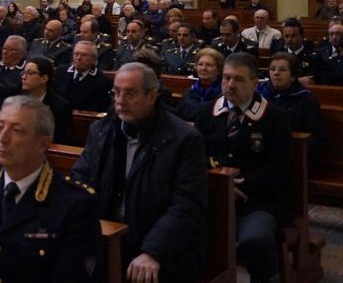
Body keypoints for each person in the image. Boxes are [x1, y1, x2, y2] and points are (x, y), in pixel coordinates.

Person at [0, 95, 102, 282]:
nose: (3, 138)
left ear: (43, 143)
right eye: (0, 127)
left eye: (16, 130)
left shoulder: (73, 204)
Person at [72, 63, 207, 283]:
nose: (120, 101)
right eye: (116, 92)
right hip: (108, 236)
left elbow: (186, 205)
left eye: (130, 94)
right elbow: (80, 181)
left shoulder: (183, 139)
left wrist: (153, 251)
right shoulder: (102, 130)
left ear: (152, 96)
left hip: (164, 245)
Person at [196, 52, 291, 283]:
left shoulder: (275, 117)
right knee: (182, 231)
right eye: (226, 78)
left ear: (255, 83)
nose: (230, 85)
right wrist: (218, 184)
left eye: (238, 79)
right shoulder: (206, 112)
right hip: (212, 196)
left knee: (255, 240)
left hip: (256, 200)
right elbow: (195, 157)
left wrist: (244, 184)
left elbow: (280, 165)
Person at [259, 52, 325, 158]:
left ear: (293, 76)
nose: (276, 73)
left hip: (291, 154)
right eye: (272, 69)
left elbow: (316, 137)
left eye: (282, 70)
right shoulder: (260, 94)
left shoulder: (305, 99)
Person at [20, 56, 72, 144]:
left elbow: (61, 139)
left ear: (44, 78)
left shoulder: (60, 106)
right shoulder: (17, 101)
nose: (24, 77)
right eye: (23, 73)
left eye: (30, 73)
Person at [54, 40, 111, 112]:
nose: (78, 58)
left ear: (93, 59)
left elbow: (95, 109)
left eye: (84, 55)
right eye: (76, 54)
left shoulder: (102, 81)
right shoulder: (61, 72)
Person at [176, 48, 224, 122]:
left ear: (219, 70)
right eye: (200, 64)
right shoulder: (190, 92)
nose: (203, 68)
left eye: (209, 65)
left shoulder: (223, 94)